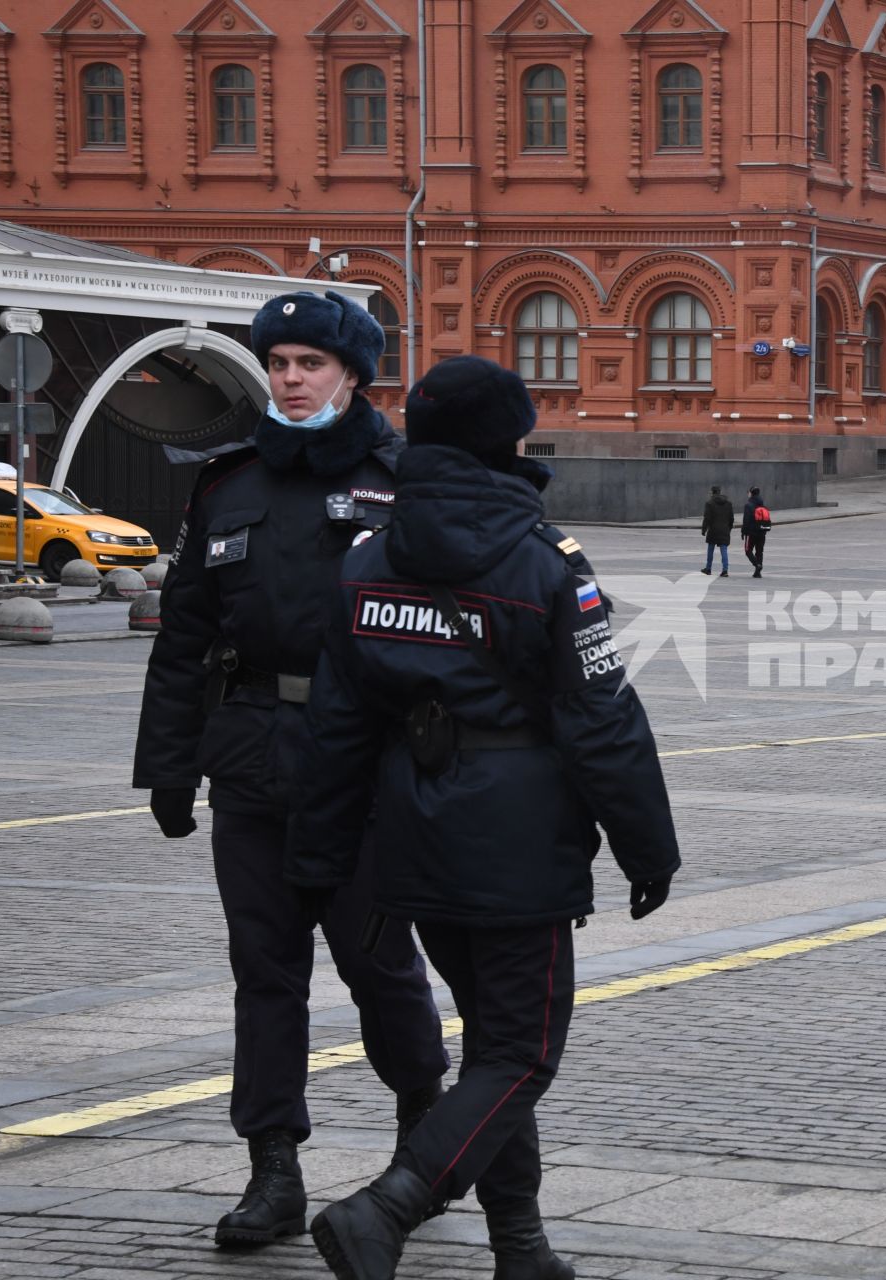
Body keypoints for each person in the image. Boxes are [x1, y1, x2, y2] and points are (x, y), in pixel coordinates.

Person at [286, 356, 680, 1280]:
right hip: (516, 843)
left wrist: (324, 852)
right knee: (520, 1054)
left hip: (413, 837)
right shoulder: (545, 562)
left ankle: (521, 1246)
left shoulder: (366, 558)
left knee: (492, 1051)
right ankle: (391, 1205)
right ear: (509, 442)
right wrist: (647, 847)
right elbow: (601, 720)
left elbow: (337, 726)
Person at [131, 291, 448, 1249]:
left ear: (353, 373)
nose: (292, 379)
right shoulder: (228, 485)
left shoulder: (407, 480)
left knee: (380, 967)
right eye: (278, 363)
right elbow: (185, 633)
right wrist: (169, 766)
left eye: (311, 362)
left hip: (365, 773)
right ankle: (272, 1168)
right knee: (264, 973)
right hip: (253, 767)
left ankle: (420, 1138)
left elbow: (449, 630)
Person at [701, 485, 734, 577]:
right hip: (724, 529)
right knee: (724, 549)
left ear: (712, 492)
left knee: (710, 549)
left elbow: (707, 518)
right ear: (719, 492)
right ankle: (725, 570)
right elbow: (731, 518)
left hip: (713, 530)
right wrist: (729, 528)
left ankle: (708, 568)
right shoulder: (728, 503)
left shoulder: (709, 503)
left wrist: (704, 529)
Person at [740, 486, 770, 579]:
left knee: (748, 550)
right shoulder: (762, 505)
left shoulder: (748, 505)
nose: (747, 494)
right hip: (762, 532)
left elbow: (746, 520)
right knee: (759, 551)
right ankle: (758, 572)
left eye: (748, 492)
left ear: (751, 493)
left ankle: (757, 565)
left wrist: (743, 531)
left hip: (751, 533)